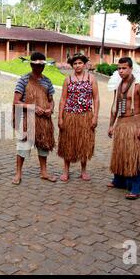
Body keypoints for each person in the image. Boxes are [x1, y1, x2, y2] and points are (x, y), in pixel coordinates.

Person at [107, 57, 140, 199]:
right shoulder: (118, 85)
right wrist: (111, 125)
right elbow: (115, 107)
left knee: (135, 155)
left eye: (124, 68)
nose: (121, 71)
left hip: (135, 123)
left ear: (131, 68)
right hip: (121, 123)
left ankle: (136, 187)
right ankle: (119, 181)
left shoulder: (139, 85)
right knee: (120, 153)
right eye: (119, 68)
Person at [12, 52, 57, 185]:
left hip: (44, 119)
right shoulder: (24, 79)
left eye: (41, 65)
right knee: (23, 146)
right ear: (31, 64)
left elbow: (51, 100)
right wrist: (33, 107)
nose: (39, 68)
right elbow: (16, 101)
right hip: (28, 119)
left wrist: (50, 109)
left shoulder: (47, 81)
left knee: (44, 145)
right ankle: (18, 173)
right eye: (36, 65)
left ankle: (44, 172)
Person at [57, 53, 99, 182]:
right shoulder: (68, 80)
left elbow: (96, 98)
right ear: (72, 65)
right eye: (75, 64)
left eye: (80, 63)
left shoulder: (91, 78)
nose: (77, 65)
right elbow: (63, 99)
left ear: (84, 64)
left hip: (86, 115)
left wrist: (95, 117)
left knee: (84, 143)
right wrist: (60, 117)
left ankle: (84, 170)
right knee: (68, 142)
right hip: (70, 115)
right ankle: (66, 170)